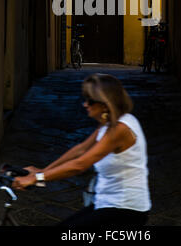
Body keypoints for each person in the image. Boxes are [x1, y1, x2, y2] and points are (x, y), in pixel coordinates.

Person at [12, 73, 151, 228]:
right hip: (107, 203)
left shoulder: (120, 129)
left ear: (105, 104)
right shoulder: (108, 124)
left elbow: (80, 165)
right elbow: (81, 149)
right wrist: (43, 170)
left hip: (125, 211)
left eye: (90, 100)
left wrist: (37, 178)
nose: (85, 104)